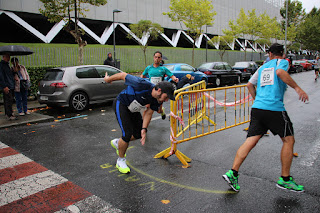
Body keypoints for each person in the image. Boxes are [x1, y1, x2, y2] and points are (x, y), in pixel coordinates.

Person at [222, 43, 309, 193]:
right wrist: (297, 88)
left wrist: (257, 100)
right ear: (282, 54)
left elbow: (249, 85)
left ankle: (233, 173)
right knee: (289, 140)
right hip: (274, 108)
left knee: (251, 140)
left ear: (269, 54)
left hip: (258, 108)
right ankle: (285, 179)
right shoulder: (281, 62)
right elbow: (281, 72)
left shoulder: (262, 68)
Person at [104, 72, 175, 174]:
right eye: (166, 96)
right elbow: (122, 75)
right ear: (159, 90)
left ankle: (118, 143)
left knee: (137, 134)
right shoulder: (141, 83)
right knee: (127, 134)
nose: (167, 100)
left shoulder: (157, 100)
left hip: (133, 109)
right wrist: (108, 80)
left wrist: (144, 129)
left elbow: (149, 113)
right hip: (122, 104)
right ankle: (120, 160)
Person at [141, 51, 178, 119]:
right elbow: (142, 76)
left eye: (158, 57)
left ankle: (161, 111)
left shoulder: (163, 69)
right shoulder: (149, 68)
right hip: (151, 90)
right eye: (155, 57)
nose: (157, 59)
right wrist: (140, 82)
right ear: (153, 58)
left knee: (158, 110)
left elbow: (171, 75)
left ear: (161, 59)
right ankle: (142, 123)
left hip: (160, 92)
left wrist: (174, 79)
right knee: (147, 107)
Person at [0, 53, 16, 120]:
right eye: (7, 57)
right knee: (8, 100)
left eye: (9, 57)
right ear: (4, 57)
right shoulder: (1, 65)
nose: (8, 58)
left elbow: (9, 75)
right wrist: (4, 86)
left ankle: (9, 113)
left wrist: (14, 72)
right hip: (7, 85)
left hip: (10, 84)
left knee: (10, 99)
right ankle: (9, 114)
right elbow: (1, 76)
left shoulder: (7, 65)